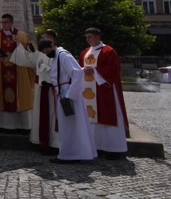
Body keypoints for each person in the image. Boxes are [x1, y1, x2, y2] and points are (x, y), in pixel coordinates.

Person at [36, 34, 96, 164]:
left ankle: (71, 154)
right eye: (45, 53)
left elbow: (77, 73)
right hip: (63, 93)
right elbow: (66, 73)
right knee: (67, 126)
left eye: (47, 51)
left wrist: (69, 95)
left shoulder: (63, 55)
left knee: (70, 125)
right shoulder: (57, 56)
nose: (47, 54)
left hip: (68, 95)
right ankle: (71, 153)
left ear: (52, 45)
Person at [79, 27, 129, 160]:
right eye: (86, 37)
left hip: (104, 90)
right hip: (88, 91)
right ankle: (97, 147)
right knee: (92, 118)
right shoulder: (85, 52)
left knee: (108, 116)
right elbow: (79, 67)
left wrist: (94, 71)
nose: (87, 39)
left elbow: (113, 70)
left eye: (90, 36)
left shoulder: (108, 51)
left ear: (97, 37)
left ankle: (114, 149)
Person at [0, 13, 34, 133]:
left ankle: (22, 126)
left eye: (6, 22)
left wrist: (19, 44)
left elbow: (31, 55)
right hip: (0, 74)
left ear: (11, 22)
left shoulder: (23, 36)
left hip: (19, 74)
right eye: (2, 22)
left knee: (20, 97)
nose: (3, 25)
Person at [10, 31, 59, 154]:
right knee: (38, 114)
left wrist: (43, 68)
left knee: (51, 116)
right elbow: (27, 57)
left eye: (45, 38)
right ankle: (38, 141)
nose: (42, 39)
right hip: (39, 88)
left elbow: (59, 70)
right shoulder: (39, 54)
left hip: (51, 90)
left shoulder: (58, 53)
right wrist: (19, 45)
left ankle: (53, 143)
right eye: (41, 37)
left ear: (52, 40)